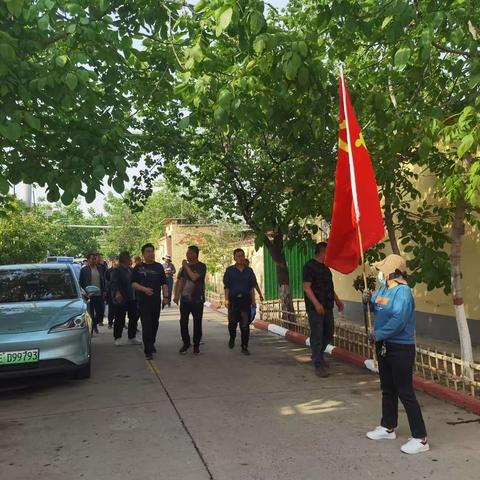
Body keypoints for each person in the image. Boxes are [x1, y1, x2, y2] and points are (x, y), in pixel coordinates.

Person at [363, 254, 429, 455]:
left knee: (405, 392)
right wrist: (366, 301)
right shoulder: (383, 289)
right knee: (388, 388)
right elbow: (375, 308)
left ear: (393, 273)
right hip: (384, 346)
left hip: (400, 347)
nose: (379, 274)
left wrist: (378, 334)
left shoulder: (403, 292)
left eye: (382, 270)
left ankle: (421, 438)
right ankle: (388, 427)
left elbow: (399, 320)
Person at [302, 242, 344, 378]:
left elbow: (330, 287)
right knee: (318, 334)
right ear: (322, 251)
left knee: (329, 332)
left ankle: (317, 355)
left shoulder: (326, 268)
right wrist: (316, 304)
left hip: (328, 306)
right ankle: (318, 364)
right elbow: (307, 287)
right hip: (315, 308)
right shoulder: (309, 267)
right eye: (328, 251)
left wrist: (337, 300)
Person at [131, 243, 169, 360]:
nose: (150, 254)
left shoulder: (158, 267)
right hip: (143, 301)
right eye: (148, 251)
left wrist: (166, 297)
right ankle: (148, 350)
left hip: (156, 301)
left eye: (152, 251)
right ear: (143, 254)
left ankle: (151, 342)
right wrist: (144, 289)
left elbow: (164, 283)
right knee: (146, 324)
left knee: (154, 323)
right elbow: (133, 283)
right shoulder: (138, 268)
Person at [173, 246, 207, 355]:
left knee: (197, 322)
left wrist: (186, 266)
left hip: (197, 299)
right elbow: (181, 281)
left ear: (195, 254)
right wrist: (177, 295)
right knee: (183, 322)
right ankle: (186, 343)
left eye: (189, 253)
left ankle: (196, 345)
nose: (187, 255)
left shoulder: (201, 266)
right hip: (185, 300)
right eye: (187, 253)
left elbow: (194, 277)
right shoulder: (184, 268)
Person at [223, 248, 257, 355]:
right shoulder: (229, 271)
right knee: (232, 323)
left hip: (245, 300)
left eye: (242, 255)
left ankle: (244, 346)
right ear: (234, 258)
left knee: (245, 325)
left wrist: (253, 300)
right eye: (238, 256)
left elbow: (252, 287)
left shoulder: (249, 271)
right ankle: (232, 338)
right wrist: (226, 299)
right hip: (233, 300)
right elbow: (226, 287)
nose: (241, 258)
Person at [110, 251, 141, 346]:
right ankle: (117, 337)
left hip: (132, 297)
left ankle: (132, 337)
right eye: (129, 258)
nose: (131, 259)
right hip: (122, 298)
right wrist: (117, 293)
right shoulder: (117, 270)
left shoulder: (130, 269)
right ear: (125, 259)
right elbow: (113, 282)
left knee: (134, 317)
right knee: (120, 318)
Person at [79, 253, 105, 334]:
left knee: (100, 313)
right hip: (89, 295)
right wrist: (84, 293)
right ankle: (92, 328)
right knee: (90, 313)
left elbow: (103, 280)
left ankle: (94, 324)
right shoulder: (84, 270)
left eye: (95, 258)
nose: (94, 260)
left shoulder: (100, 268)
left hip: (99, 294)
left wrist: (104, 290)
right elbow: (81, 283)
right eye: (92, 259)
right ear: (88, 260)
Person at [245, 258, 264, 324]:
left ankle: (246, 324)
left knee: (252, 314)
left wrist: (260, 294)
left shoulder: (250, 272)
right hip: (240, 299)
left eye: (247, 264)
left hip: (250, 297)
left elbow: (255, 284)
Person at [105, 256, 118, 329]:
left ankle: (121, 323)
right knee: (111, 309)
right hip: (111, 292)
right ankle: (110, 323)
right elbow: (106, 281)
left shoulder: (120, 271)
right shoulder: (109, 271)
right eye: (116, 262)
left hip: (120, 292)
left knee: (120, 309)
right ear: (113, 262)